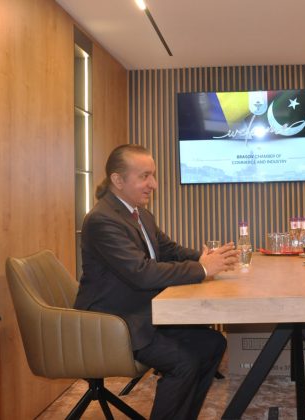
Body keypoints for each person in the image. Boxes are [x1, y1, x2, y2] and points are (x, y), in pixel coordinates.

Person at [74, 144, 239, 420]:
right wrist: (201, 268)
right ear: (118, 180)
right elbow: (142, 273)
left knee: (213, 344)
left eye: (153, 175)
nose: (154, 184)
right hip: (116, 322)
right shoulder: (102, 220)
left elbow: (169, 250)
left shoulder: (140, 214)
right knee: (183, 362)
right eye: (145, 176)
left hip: (143, 313)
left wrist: (206, 258)